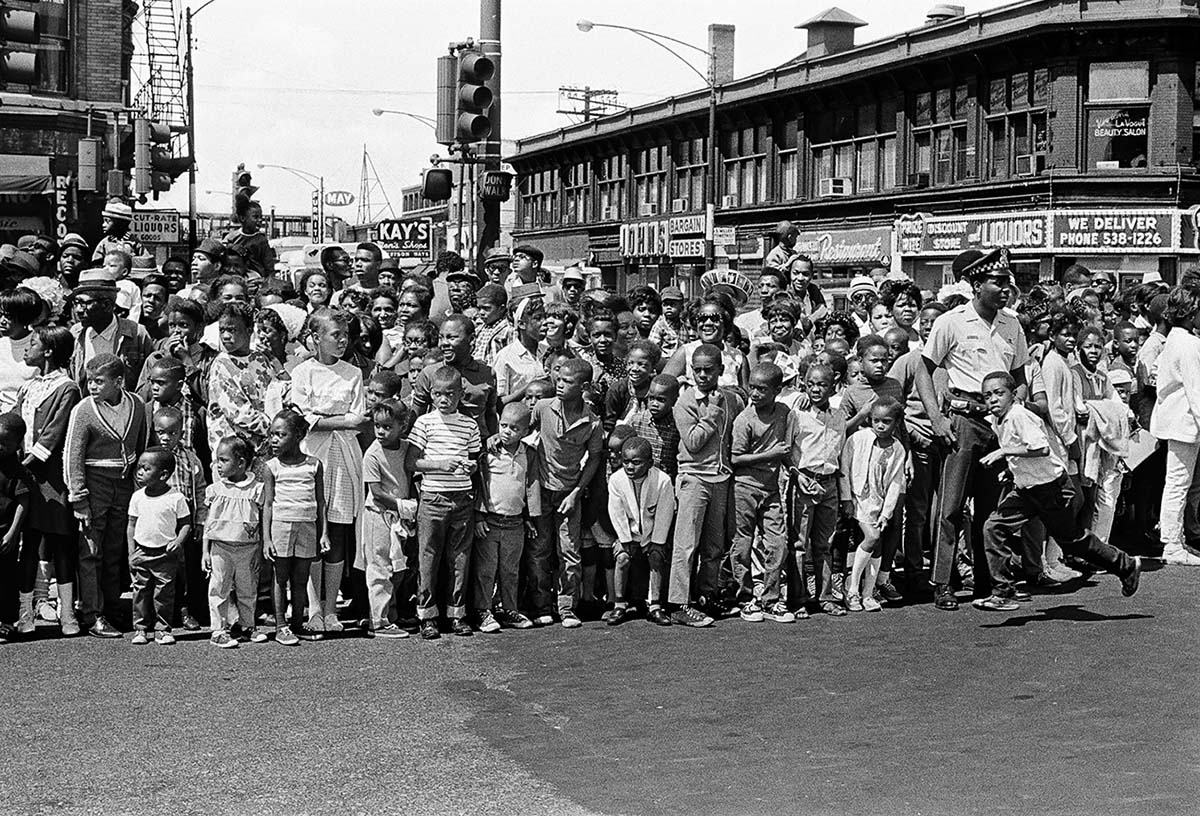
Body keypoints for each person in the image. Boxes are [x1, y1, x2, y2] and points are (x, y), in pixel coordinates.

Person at [976, 371, 1141, 610]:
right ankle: (1003, 592)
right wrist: (1011, 471)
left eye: (999, 393)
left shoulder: (1019, 416)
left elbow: (1041, 449)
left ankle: (1124, 564)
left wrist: (1004, 453)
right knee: (994, 527)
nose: (992, 399)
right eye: (987, 395)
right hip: (1026, 489)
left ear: (1013, 395)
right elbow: (1024, 452)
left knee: (1073, 541)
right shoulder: (998, 419)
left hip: (1050, 489)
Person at [920, 247, 1027, 611]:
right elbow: (925, 370)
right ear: (976, 285)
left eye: (1008, 282)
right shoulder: (951, 322)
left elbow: (1020, 378)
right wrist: (936, 417)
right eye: (998, 282)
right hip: (963, 422)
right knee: (950, 507)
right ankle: (944, 583)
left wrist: (1016, 415)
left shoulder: (1012, 324)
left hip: (999, 426)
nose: (1006, 289)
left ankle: (988, 582)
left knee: (991, 509)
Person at [290, 309, 367, 635]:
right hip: (312, 455)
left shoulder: (353, 373)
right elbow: (301, 417)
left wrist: (328, 420)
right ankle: (314, 609)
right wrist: (338, 420)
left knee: (336, 531)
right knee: (311, 530)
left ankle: (332, 608)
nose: (342, 340)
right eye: (335, 335)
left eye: (345, 335)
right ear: (315, 338)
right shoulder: (303, 372)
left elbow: (359, 418)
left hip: (344, 456)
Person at [65, 353, 150, 638]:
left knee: (115, 549)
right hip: (95, 484)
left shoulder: (137, 405)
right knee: (91, 550)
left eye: (99, 381)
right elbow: (72, 456)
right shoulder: (84, 410)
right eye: (90, 381)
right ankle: (92, 613)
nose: (92, 386)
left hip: (124, 485)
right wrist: (79, 498)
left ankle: (113, 607)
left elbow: (142, 445)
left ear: (119, 381)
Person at [669, 343, 744, 627]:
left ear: (720, 370)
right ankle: (679, 604)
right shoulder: (685, 401)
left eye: (708, 370)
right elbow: (694, 442)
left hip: (721, 478)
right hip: (695, 478)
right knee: (686, 544)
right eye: (696, 370)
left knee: (714, 546)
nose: (702, 375)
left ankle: (706, 597)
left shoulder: (730, 398)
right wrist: (711, 410)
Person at [528, 358, 604, 629]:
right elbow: (525, 437)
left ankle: (567, 607)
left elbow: (594, 458)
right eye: (558, 379)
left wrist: (576, 492)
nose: (560, 385)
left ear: (583, 386)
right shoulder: (542, 408)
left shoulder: (593, 423)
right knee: (540, 550)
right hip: (541, 490)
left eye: (568, 382)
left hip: (568, 494)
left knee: (569, 552)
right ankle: (540, 606)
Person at [407, 366, 483, 640]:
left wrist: (469, 467)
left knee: (459, 558)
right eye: (437, 394)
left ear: (460, 394)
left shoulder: (469, 425)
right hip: (433, 498)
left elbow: (475, 460)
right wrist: (440, 465)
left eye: (449, 394)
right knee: (428, 557)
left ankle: (457, 614)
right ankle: (427, 616)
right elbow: (412, 462)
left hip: (461, 498)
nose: (443, 400)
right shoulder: (425, 422)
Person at [14, 326, 80, 635]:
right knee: (28, 546)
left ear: (49, 351)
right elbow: (15, 424)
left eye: (33, 344)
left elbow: (53, 433)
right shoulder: (30, 386)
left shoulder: (67, 388)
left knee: (60, 544)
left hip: (51, 478)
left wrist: (25, 464)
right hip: (26, 476)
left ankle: (68, 613)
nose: (26, 350)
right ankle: (25, 613)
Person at [730, 362, 796, 624]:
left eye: (761, 389)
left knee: (778, 543)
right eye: (752, 388)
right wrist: (771, 455)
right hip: (744, 488)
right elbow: (735, 458)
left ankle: (771, 599)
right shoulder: (745, 419)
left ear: (777, 390)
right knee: (742, 544)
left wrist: (793, 471)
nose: (754, 393)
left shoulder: (784, 412)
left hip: (770, 490)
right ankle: (745, 598)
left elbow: (787, 452)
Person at [474, 401, 541, 633]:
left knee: (510, 569)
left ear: (526, 432)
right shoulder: (489, 450)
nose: (506, 431)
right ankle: (483, 610)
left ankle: (508, 609)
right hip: (490, 521)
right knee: (486, 569)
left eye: (514, 428)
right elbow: (480, 483)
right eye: (503, 425)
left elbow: (530, 485)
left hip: (515, 522)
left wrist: (530, 517)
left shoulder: (529, 453)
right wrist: (479, 516)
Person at [262, 411, 328, 645]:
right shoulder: (271, 467)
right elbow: (268, 504)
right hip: (281, 526)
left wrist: (324, 533)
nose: (274, 440)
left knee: (301, 578)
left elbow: (321, 502)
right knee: (280, 577)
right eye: (272, 435)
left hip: (307, 527)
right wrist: (267, 539)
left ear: (299, 435)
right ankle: (281, 626)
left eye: (281, 434)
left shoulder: (314, 465)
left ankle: (298, 624)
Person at [786, 362, 846, 617]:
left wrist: (845, 495)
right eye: (811, 384)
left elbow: (840, 455)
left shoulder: (839, 417)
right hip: (804, 482)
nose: (815, 389)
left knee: (825, 543)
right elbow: (786, 453)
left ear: (834, 386)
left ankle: (825, 597)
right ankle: (798, 599)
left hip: (829, 482)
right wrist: (798, 477)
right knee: (799, 543)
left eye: (822, 384)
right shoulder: (797, 416)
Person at [840, 398, 909, 613]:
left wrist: (887, 513)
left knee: (876, 544)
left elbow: (895, 483)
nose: (879, 426)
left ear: (896, 423)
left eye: (886, 422)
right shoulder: (857, 439)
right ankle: (851, 589)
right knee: (872, 537)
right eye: (876, 420)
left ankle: (868, 593)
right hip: (858, 498)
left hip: (878, 503)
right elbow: (844, 468)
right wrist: (846, 499)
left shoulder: (897, 449)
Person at [1149, 287, 1200, 566]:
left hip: (1176, 420)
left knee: (1178, 483)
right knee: (1179, 484)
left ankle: (1173, 540)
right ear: (1191, 314)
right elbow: (1197, 391)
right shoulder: (1189, 344)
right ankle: (1171, 543)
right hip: (1184, 422)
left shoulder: (1175, 339)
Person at [200, 435, 264, 648]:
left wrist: (260, 548)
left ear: (241, 463)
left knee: (248, 590)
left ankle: (247, 626)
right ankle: (218, 630)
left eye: (223, 460)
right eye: (217, 459)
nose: (218, 465)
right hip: (221, 548)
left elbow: (263, 521)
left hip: (248, 548)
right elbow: (208, 523)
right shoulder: (215, 490)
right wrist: (205, 552)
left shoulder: (257, 489)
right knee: (219, 588)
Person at [359, 400, 416, 639]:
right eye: (377, 426)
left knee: (396, 567)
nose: (381, 432)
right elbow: (378, 493)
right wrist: (404, 506)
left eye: (387, 427)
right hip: (377, 516)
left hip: (399, 519)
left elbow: (411, 477)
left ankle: (390, 615)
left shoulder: (406, 447)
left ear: (402, 426)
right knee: (379, 567)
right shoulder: (372, 454)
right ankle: (378, 621)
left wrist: (408, 509)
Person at [606, 435, 675, 627]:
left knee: (656, 556)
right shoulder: (616, 480)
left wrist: (657, 541)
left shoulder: (663, 481)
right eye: (626, 461)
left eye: (636, 463)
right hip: (627, 533)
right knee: (622, 558)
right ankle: (619, 604)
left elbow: (664, 513)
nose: (629, 467)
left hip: (653, 534)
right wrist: (625, 540)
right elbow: (617, 513)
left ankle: (654, 605)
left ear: (650, 463)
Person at [125, 448, 191, 645]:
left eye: (146, 469)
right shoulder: (137, 497)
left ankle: (163, 628)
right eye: (139, 468)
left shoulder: (176, 498)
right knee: (140, 592)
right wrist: (131, 553)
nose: (140, 472)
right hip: (141, 552)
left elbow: (186, 524)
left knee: (164, 593)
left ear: (163, 475)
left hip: (165, 554)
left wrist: (178, 541)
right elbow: (131, 525)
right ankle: (141, 629)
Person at [206, 302, 279, 463]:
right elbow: (238, 413)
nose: (225, 336)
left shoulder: (260, 359)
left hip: (264, 449)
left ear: (248, 331)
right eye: (222, 330)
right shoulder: (222, 364)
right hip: (232, 454)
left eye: (232, 330)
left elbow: (274, 396)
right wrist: (276, 429)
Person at [411, 314, 499, 439]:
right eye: (441, 338)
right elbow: (416, 415)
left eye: (451, 337)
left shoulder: (487, 374)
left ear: (471, 339)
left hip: (477, 447)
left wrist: (492, 440)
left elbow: (491, 414)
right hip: (440, 446)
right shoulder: (429, 374)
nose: (444, 344)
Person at [68, 269, 153, 393]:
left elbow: (149, 378)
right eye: (76, 303)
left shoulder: (136, 333)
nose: (78, 310)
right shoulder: (76, 334)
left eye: (84, 303)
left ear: (107, 305)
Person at [0, 414, 31, 638]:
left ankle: (7, 621)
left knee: (6, 579)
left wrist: (13, 533)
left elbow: (23, 502)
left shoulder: (15, 469)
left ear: (18, 443)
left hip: (4, 535)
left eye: (6, 443)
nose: (0, 447)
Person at [621, 373, 682, 480]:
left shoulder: (679, 424)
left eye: (661, 400)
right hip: (641, 478)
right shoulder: (636, 421)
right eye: (651, 398)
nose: (654, 404)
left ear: (674, 400)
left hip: (667, 481)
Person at [493, 285, 545, 405]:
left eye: (544, 317)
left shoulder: (547, 352)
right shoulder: (505, 357)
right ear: (522, 324)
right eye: (538, 318)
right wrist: (529, 387)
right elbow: (499, 403)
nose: (545, 322)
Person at [0, 288, 40, 412]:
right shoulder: (1, 345)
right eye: (0, 314)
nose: (2, 321)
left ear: (25, 318)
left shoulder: (40, 346)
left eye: (9, 316)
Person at [223, 199, 275, 276]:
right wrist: (231, 246)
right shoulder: (232, 237)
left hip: (256, 277)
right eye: (255, 217)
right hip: (235, 274)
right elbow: (220, 249)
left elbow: (269, 265)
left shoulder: (261, 241)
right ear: (242, 218)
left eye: (261, 217)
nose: (260, 220)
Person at [471, 283, 512, 367]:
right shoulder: (480, 328)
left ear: (501, 308)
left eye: (486, 308)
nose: (481, 313)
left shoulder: (508, 330)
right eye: (479, 308)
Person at [649, 286, 685, 356]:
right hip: (664, 363)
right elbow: (652, 349)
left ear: (681, 306)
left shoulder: (683, 326)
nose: (668, 307)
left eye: (672, 304)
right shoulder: (659, 326)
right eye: (665, 305)